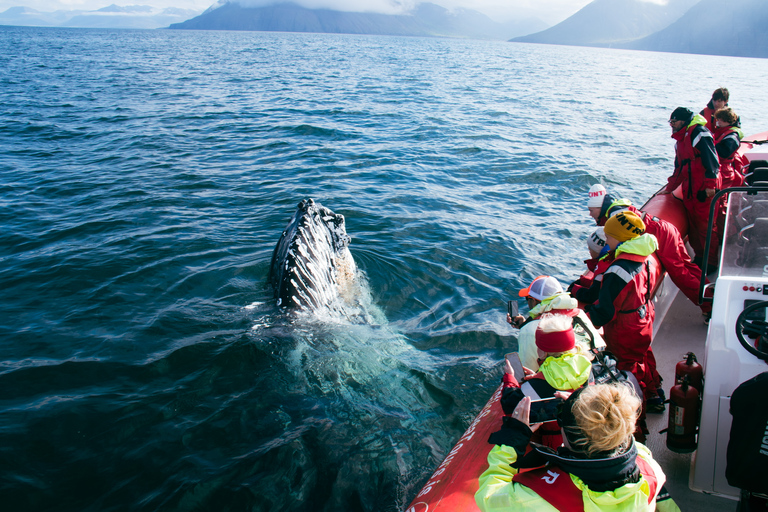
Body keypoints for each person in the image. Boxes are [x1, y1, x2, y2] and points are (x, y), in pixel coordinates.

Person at [476, 382, 680, 511]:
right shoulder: (649, 465)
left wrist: (510, 443)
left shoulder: (540, 498)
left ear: (569, 436)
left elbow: (489, 497)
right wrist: (584, 408)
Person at [582, 211, 663, 426]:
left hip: (624, 329)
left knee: (627, 375)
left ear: (620, 238)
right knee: (643, 357)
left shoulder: (617, 270)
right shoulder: (647, 257)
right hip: (643, 318)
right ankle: (656, 393)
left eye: (609, 236)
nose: (606, 241)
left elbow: (605, 311)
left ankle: (637, 422)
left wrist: (580, 323)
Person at [585, 189, 712, 322]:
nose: (590, 214)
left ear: (600, 208)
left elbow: (618, 244)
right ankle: (711, 294)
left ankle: (708, 306)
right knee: (687, 267)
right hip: (665, 229)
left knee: (680, 274)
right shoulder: (616, 208)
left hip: (661, 236)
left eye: (592, 210)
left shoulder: (615, 216)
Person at [518, 314, 593, 449]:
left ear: (542, 351)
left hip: (560, 447)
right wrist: (537, 376)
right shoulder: (587, 368)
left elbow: (512, 407)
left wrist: (510, 381)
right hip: (590, 437)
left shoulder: (535, 385)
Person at [664, 106, 721, 268]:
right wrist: (670, 188)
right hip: (691, 189)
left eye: (673, 122)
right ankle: (700, 256)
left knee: (706, 225)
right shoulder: (680, 140)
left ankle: (711, 262)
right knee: (694, 226)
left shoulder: (699, 133)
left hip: (704, 188)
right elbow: (679, 168)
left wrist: (710, 186)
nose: (672, 125)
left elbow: (712, 161)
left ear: (683, 121)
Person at [510, 276, 603, 372]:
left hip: (567, 382)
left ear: (534, 301)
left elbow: (527, 370)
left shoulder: (529, 330)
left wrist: (527, 327)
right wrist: (526, 324)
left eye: (527, 298)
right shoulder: (579, 313)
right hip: (599, 369)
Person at [713, 107, 746, 189]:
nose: (718, 122)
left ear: (728, 120)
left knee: (720, 197)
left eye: (721, 119)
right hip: (719, 167)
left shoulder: (732, 136)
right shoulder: (721, 132)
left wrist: (711, 143)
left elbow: (725, 152)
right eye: (718, 119)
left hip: (725, 170)